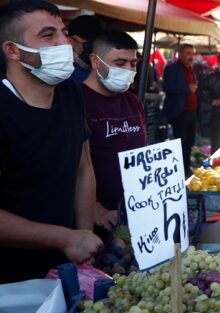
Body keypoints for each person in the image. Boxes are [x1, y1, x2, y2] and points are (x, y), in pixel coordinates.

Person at [0, 0, 102, 291]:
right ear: (12, 50)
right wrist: (65, 238)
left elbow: (83, 168)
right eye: (49, 35)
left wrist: (83, 233)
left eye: (64, 33)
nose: (64, 43)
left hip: (54, 271)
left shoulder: (69, 95)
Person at [79, 29, 146, 237]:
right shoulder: (75, 101)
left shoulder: (133, 101)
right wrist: (94, 209)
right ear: (95, 61)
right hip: (98, 220)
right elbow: (70, 167)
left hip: (135, 213)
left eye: (132, 63)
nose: (128, 69)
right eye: (119, 63)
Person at [162, 44, 198, 175]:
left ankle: (186, 168)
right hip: (179, 112)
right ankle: (178, 170)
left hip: (191, 111)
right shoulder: (172, 68)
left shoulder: (191, 69)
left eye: (192, 54)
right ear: (180, 54)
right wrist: (187, 88)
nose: (191, 57)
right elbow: (167, 87)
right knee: (180, 142)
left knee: (189, 142)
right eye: (188, 53)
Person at [67, 15, 104, 84]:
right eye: (89, 43)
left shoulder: (100, 75)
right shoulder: (62, 71)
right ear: (70, 40)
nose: (92, 47)